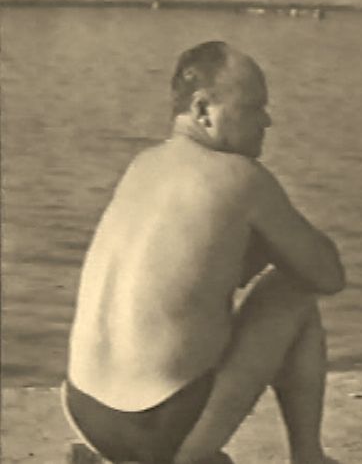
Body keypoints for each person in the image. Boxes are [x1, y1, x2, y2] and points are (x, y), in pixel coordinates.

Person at [64, 41, 346, 464]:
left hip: (85, 416)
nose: (267, 120)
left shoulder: (142, 164)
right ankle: (308, 457)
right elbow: (327, 275)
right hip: (157, 428)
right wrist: (275, 246)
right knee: (292, 289)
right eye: (253, 107)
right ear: (202, 109)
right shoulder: (242, 177)